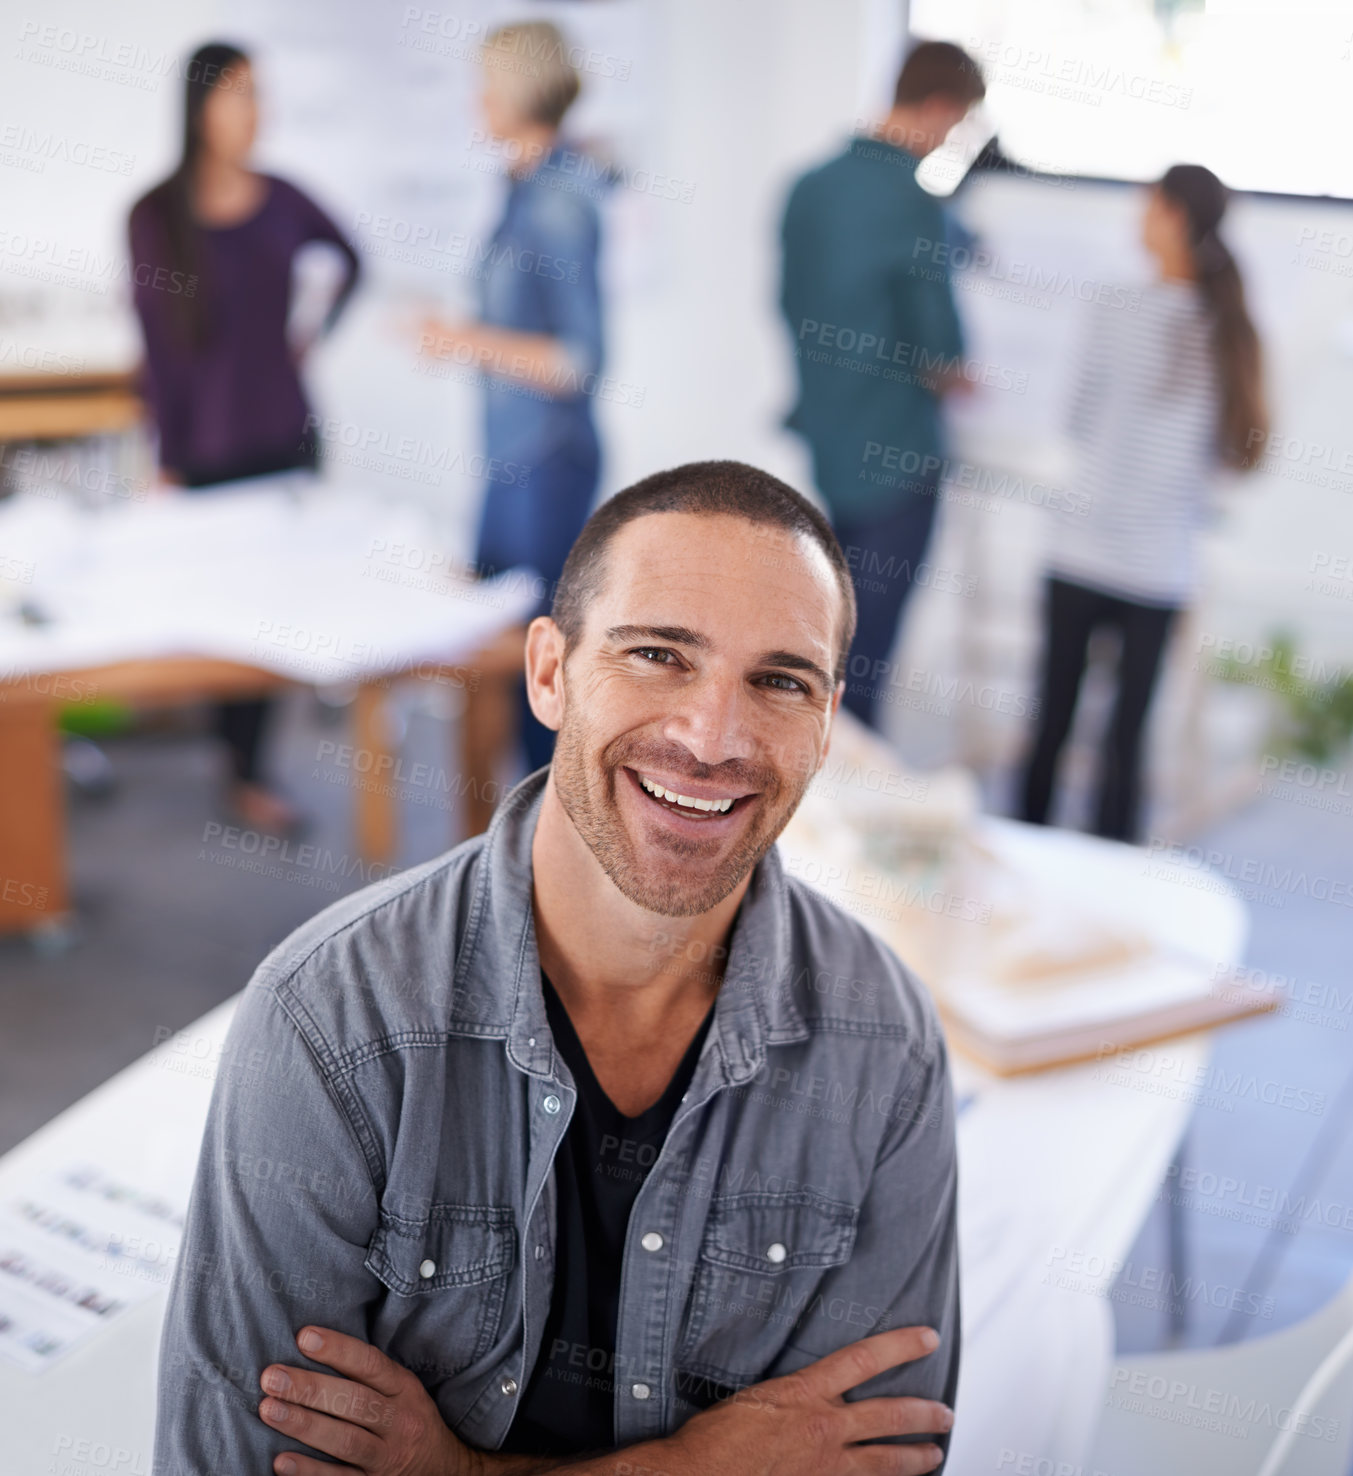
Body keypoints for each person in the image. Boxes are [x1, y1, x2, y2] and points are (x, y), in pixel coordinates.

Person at [152, 461, 961, 1475]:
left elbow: (883, 1459)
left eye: (779, 681)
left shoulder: (886, 1047)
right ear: (548, 672)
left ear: (827, 721)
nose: (712, 738)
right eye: (659, 654)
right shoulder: (332, 1022)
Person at [127, 41, 360, 835]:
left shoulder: (285, 199)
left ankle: (250, 771)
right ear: (199, 107)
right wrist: (164, 457)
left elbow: (351, 257)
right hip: (205, 449)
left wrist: (312, 331)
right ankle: (230, 761)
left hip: (285, 435)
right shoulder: (155, 215)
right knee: (215, 606)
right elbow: (157, 349)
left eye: (259, 93)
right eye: (238, 94)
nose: (255, 110)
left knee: (277, 607)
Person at [1019, 164, 1268, 843]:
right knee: (1126, 740)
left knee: (1050, 724)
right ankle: (1115, 879)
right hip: (1159, 568)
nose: (1136, 219)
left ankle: (1022, 856)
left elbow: (1071, 418)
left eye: (1145, 206)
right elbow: (1230, 458)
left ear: (1171, 216)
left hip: (1078, 551)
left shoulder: (1114, 305)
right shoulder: (1234, 327)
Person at [420, 21, 605, 830]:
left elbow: (578, 358)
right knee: (497, 655)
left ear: (519, 92)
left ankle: (556, 848)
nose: (476, 103)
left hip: (548, 462)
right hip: (508, 459)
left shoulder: (562, 196)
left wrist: (462, 341)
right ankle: (508, 847)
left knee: (540, 675)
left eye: (485, 86)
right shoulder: (520, 184)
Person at [779, 41, 985, 731]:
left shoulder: (806, 188)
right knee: (867, 660)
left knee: (830, 638)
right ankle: (845, 812)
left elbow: (787, 305)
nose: (946, 145)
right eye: (954, 129)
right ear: (937, 108)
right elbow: (942, 349)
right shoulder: (911, 200)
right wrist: (958, 376)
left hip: (831, 444)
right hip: (898, 449)